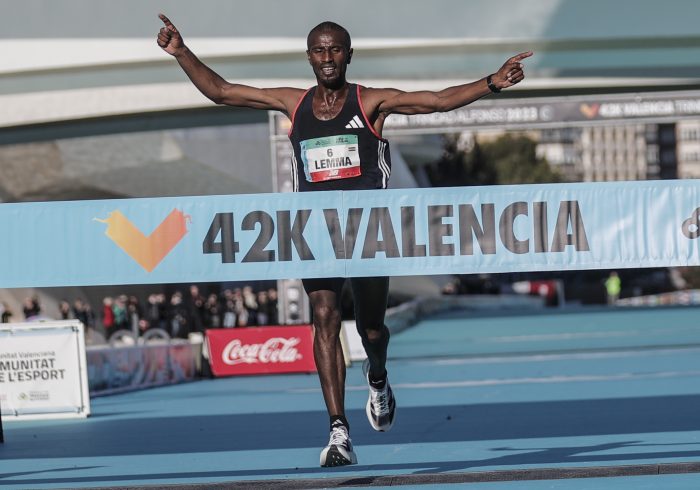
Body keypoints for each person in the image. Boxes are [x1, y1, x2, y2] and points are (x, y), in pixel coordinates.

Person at [157, 14, 531, 467]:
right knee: (324, 316)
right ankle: (338, 431)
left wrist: (491, 82)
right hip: (315, 231)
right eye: (319, 50)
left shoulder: (370, 102)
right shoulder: (292, 104)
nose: (327, 58)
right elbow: (222, 91)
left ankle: (377, 377)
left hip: (368, 232)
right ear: (309, 56)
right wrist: (181, 51)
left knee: (371, 328)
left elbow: (435, 100)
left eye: (336, 50)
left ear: (348, 55)